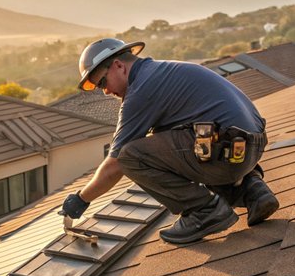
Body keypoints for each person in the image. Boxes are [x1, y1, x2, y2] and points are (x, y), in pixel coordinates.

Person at [61, 38, 279, 244]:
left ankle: (204, 211)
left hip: (227, 153)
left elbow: (115, 165)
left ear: (118, 66)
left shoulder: (141, 91)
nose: (107, 91)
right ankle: (253, 191)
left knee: (130, 156)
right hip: (251, 147)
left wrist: (81, 199)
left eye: (102, 82)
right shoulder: (163, 71)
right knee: (169, 139)